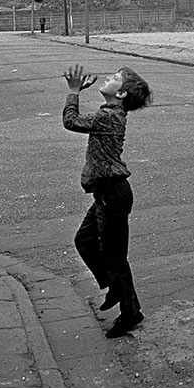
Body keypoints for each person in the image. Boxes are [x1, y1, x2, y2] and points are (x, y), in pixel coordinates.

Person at [62, 63, 151, 338]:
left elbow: (71, 121)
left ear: (121, 94)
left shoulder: (109, 117)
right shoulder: (110, 114)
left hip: (113, 194)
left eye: (115, 78)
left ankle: (130, 313)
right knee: (85, 241)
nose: (108, 78)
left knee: (116, 259)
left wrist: (74, 92)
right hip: (107, 194)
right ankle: (114, 286)